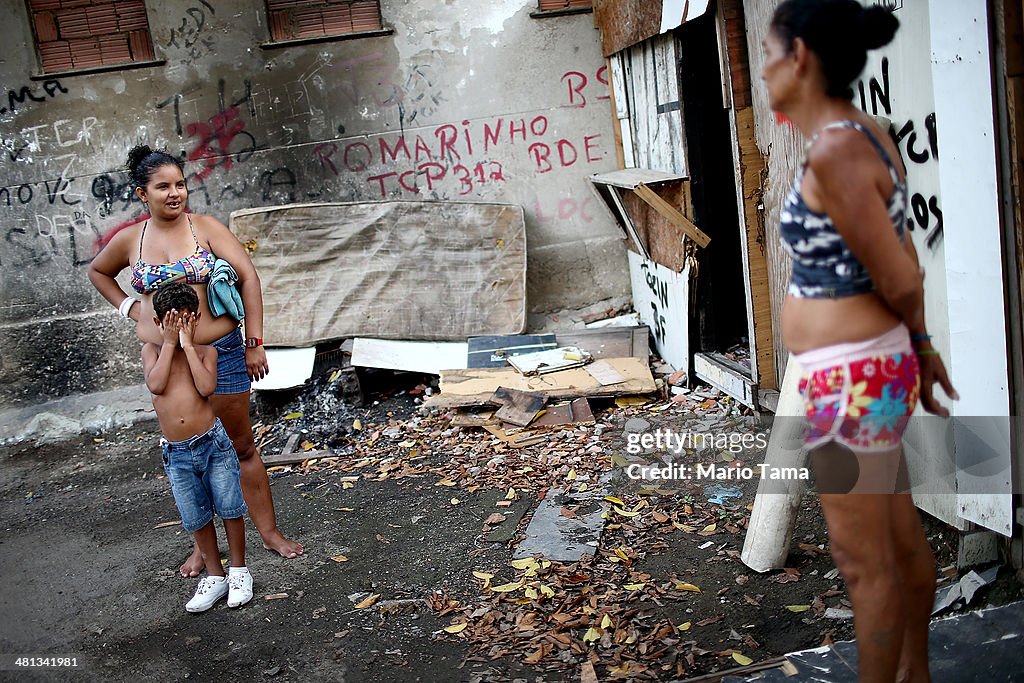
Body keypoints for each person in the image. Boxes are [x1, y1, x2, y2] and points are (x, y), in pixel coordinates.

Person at [762, 2, 957, 681]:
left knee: (861, 560)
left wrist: (919, 344)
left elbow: (900, 272)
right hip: (869, 371)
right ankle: (915, 671)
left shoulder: (838, 148)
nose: (762, 69)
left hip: (851, 379)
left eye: (768, 52)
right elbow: (902, 248)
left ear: (802, 58)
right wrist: (923, 353)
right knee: (898, 535)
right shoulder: (867, 132)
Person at [89, 145, 302, 576]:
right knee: (191, 453)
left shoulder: (205, 228)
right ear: (141, 193)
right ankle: (204, 549)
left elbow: (248, 278)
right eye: (162, 186)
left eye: (180, 184)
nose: (175, 193)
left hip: (220, 352)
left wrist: (254, 342)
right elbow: (98, 271)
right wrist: (131, 309)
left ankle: (269, 533)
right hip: (169, 363)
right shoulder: (131, 239)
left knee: (239, 445)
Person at [143, 282, 252, 612]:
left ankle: (238, 571)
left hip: (212, 444)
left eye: (186, 322)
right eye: (171, 323)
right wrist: (167, 343)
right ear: (160, 323)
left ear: (197, 319)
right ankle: (215, 576)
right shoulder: (151, 351)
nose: (179, 329)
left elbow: (206, 387)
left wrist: (188, 345)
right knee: (196, 516)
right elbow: (156, 384)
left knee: (230, 507)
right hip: (176, 454)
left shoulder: (207, 350)